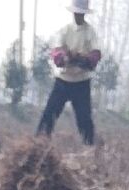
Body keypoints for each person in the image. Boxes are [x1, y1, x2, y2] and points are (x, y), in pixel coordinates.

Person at [37, 0, 100, 147]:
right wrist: (66, 57)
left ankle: (90, 149)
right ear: (73, 13)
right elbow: (57, 54)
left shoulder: (90, 32)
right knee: (49, 115)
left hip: (82, 82)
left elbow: (95, 56)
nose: (78, 15)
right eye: (77, 13)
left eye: (81, 13)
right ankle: (38, 145)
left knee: (84, 120)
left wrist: (81, 59)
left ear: (84, 14)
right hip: (63, 81)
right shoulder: (65, 30)